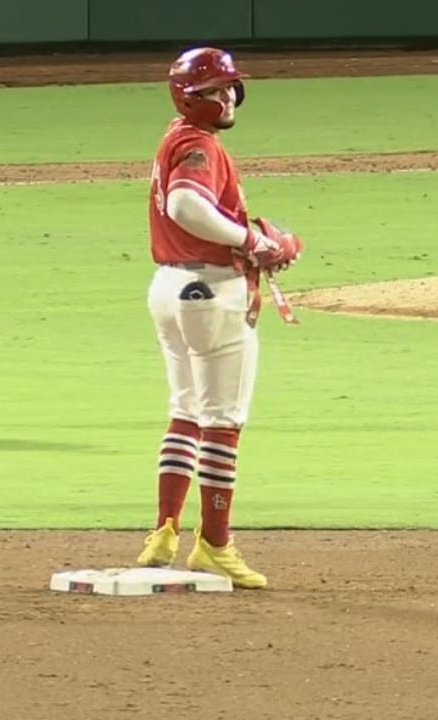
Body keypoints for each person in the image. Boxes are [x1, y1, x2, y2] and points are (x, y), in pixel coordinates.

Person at [135, 47, 303, 589]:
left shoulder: (176, 134)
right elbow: (186, 205)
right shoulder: (199, 145)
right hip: (210, 293)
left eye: (231, 87)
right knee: (222, 420)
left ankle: (163, 531)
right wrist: (254, 241)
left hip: (169, 288)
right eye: (216, 89)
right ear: (191, 97)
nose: (228, 97)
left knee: (185, 409)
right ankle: (214, 544)